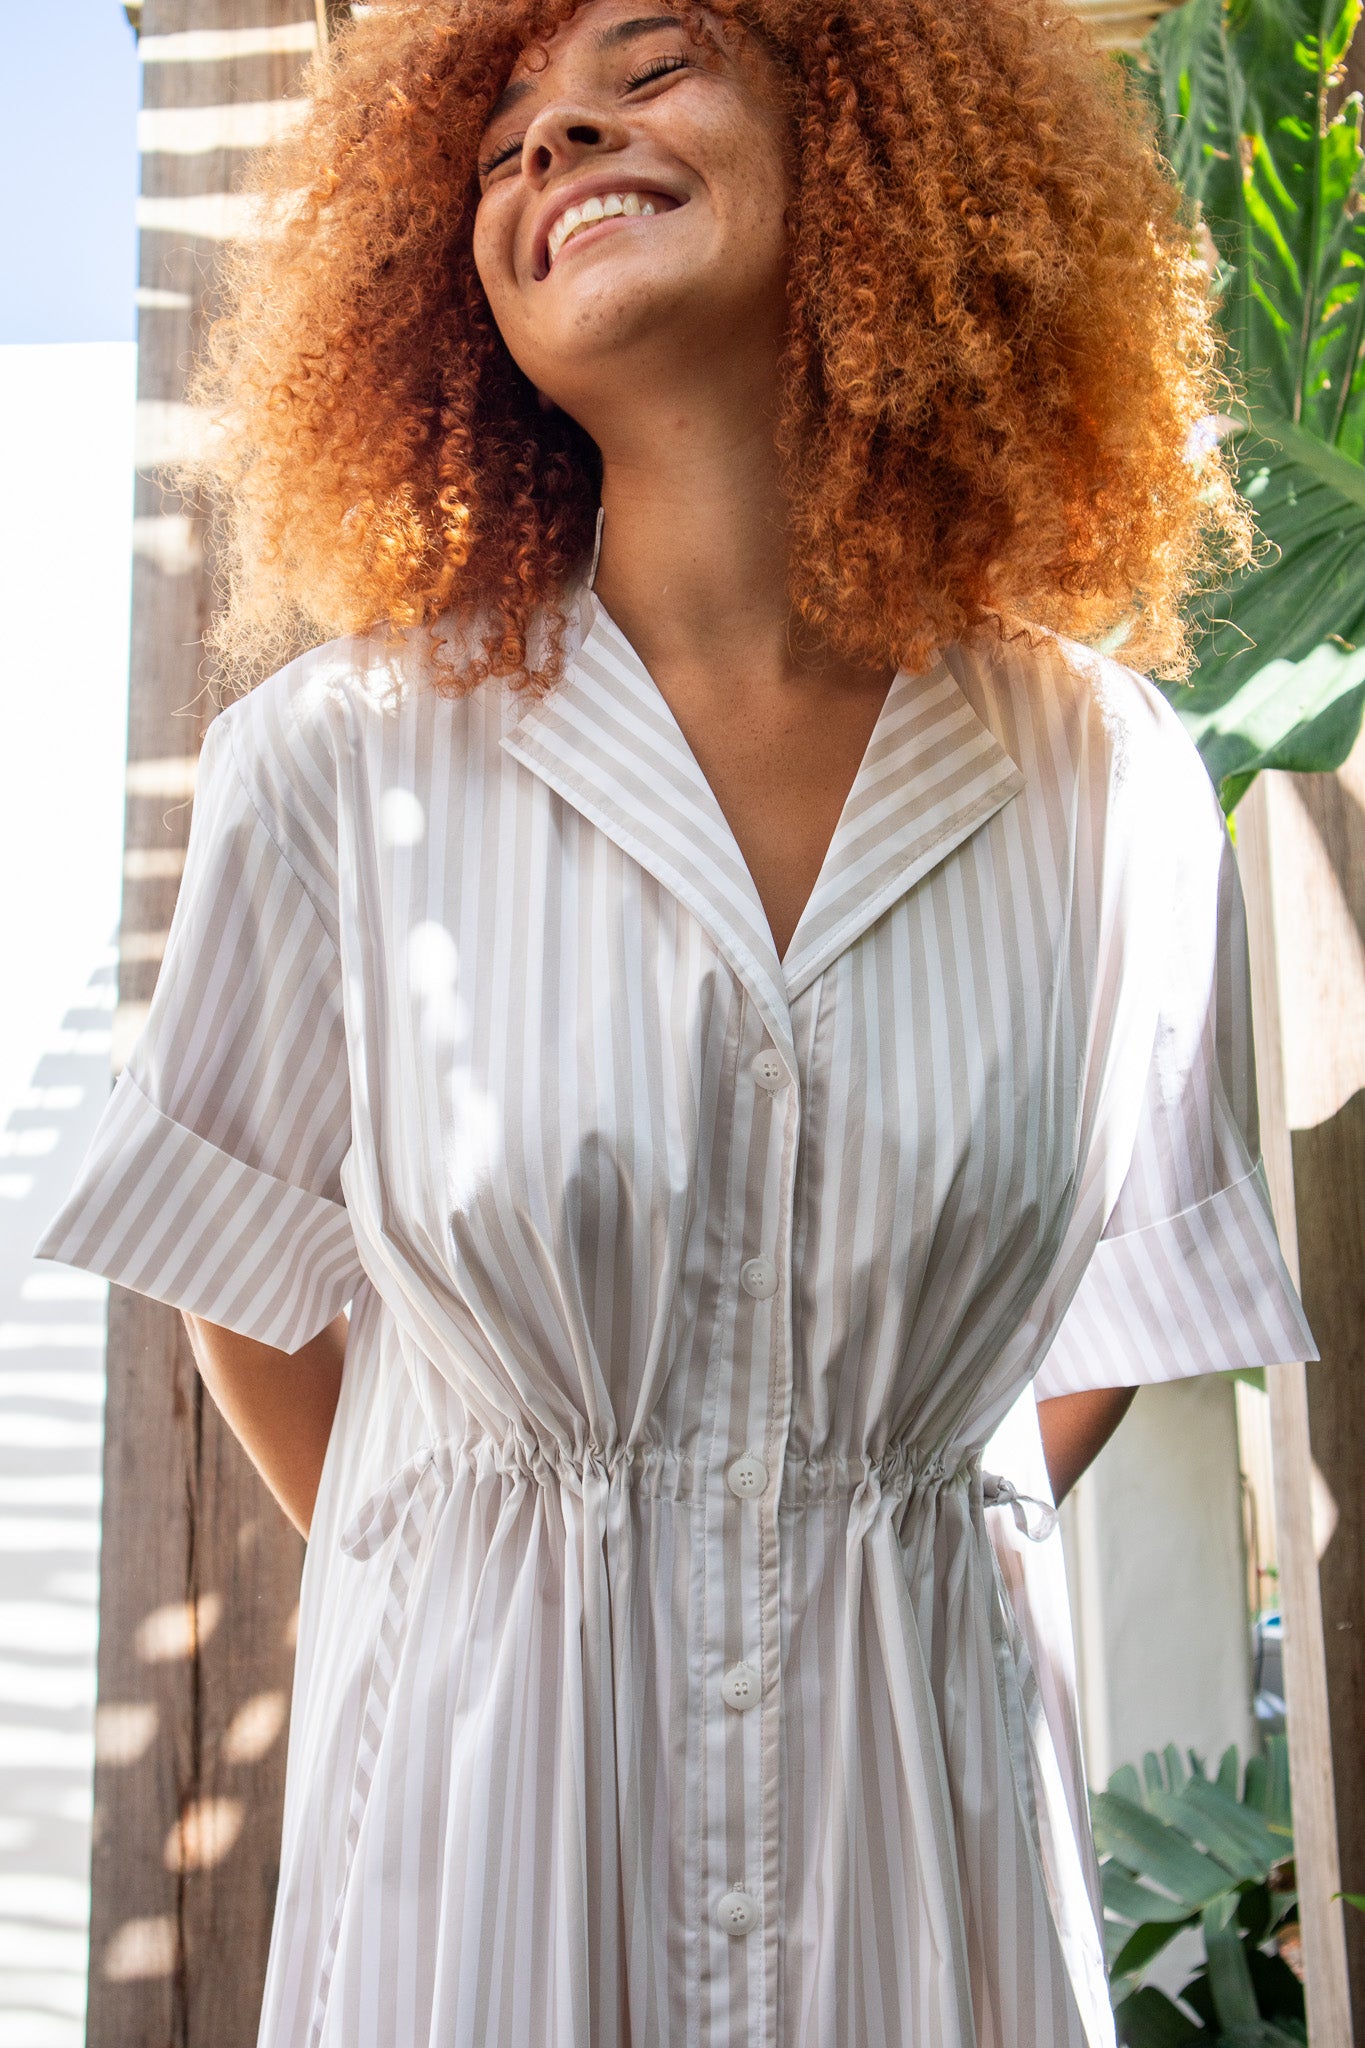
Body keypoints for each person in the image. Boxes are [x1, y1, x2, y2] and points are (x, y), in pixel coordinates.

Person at [36, 0, 1319, 2042]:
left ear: (889, 154)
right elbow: (252, 1302)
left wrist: (861, 1506)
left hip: (912, 1821)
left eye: (645, 74)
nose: (554, 145)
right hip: (475, 1851)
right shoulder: (336, 766)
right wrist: (512, 1556)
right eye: (502, 144)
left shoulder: (1102, 779)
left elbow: (1102, 1324)